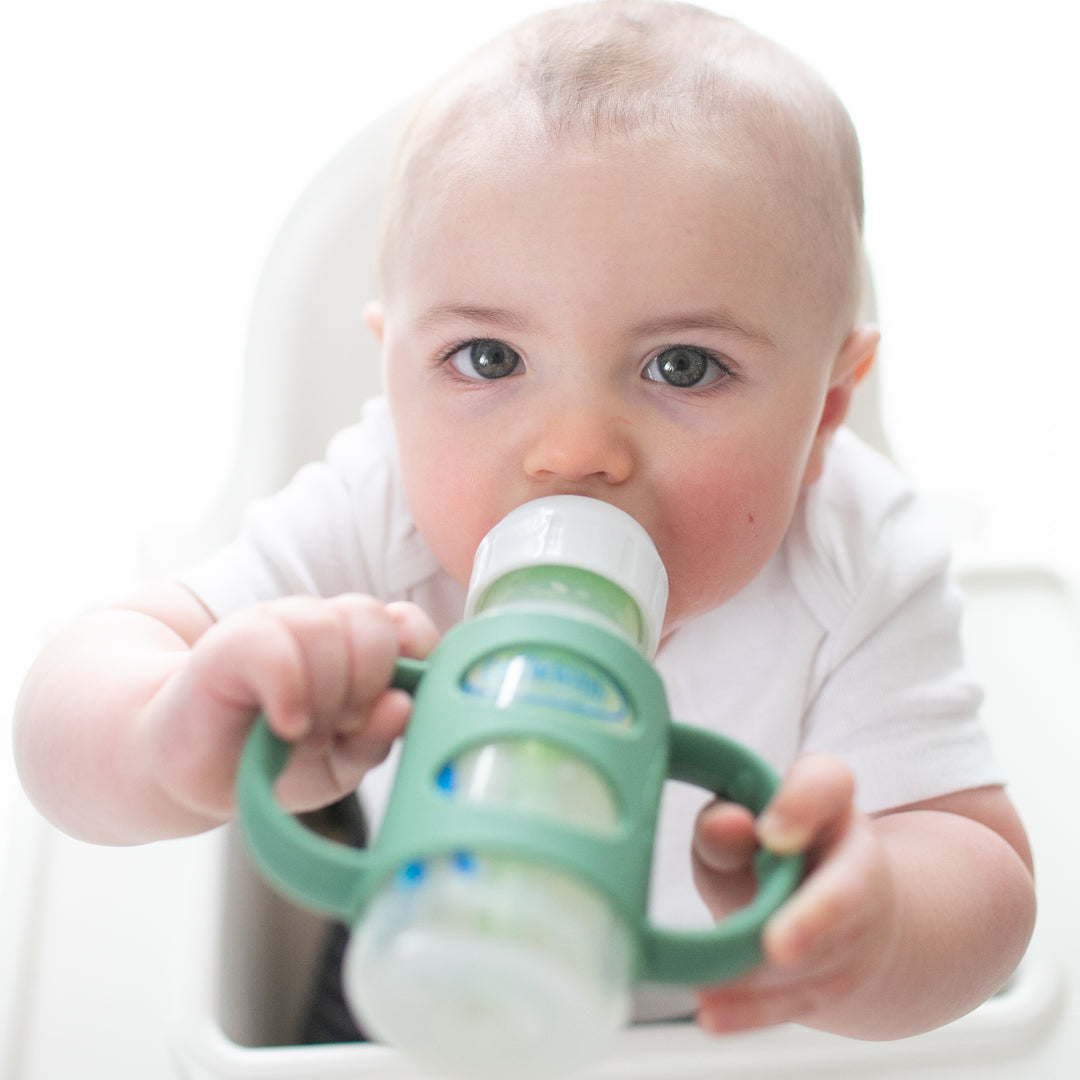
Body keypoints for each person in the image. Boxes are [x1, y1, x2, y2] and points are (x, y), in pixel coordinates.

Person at [14, 0, 1034, 1042]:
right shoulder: (379, 512)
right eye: (488, 359)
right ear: (394, 372)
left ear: (824, 412)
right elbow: (64, 707)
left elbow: (984, 879)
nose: (574, 447)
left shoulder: (853, 555)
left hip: (726, 1014)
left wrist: (874, 925)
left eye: (682, 366)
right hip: (420, 948)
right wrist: (162, 737)